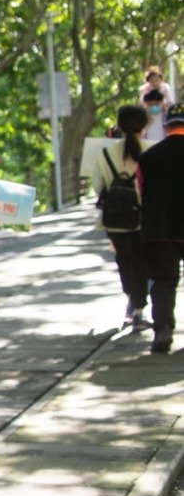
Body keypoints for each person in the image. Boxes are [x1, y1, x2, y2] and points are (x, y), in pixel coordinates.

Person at [90, 104, 153, 329]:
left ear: (119, 125)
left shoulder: (105, 154)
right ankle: (139, 310)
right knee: (143, 262)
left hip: (115, 220)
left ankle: (132, 303)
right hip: (144, 218)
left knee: (124, 261)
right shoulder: (152, 149)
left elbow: (98, 188)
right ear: (145, 125)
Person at [136, 102, 184, 354]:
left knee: (163, 282)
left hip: (158, 229)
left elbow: (140, 192)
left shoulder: (147, 158)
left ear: (166, 127)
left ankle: (163, 329)